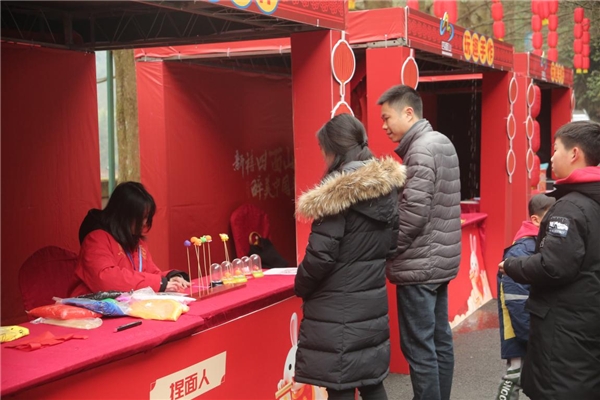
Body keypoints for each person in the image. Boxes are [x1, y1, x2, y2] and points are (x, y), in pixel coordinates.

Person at [293, 114, 406, 400]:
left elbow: (320, 257)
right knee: (371, 382)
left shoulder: (336, 195)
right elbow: (391, 246)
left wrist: (301, 285)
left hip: (336, 310)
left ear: (334, 150)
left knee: (340, 387)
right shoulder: (387, 190)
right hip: (371, 306)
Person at [499, 121, 600, 399]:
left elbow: (553, 266)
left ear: (575, 153)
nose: (551, 157)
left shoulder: (570, 207)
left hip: (564, 329)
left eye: (555, 149)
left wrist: (511, 266)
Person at [377, 85, 461, 400]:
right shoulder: (441, 142)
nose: (384, 126)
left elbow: (413, 214)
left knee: (419, 347)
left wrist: (389, 249)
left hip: (418, 265)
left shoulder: (421, 150)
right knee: (439, 341)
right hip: (439, 261)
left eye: (387, 118)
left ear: (408, 113)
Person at [70, 181, 190, 296]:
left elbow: (150, 274)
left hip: (125, 305)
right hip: (89, 308)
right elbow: (105, 279)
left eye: (147, 217)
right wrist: (160, 283)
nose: (144, 222)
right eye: (141, 217)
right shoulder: (96, 239)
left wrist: (170, 277)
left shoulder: (137, 242)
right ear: (124, 216)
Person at [495, 194, 555, 400]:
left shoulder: (536, 243)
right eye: (550, 217)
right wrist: (528, 333)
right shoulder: (522, 249)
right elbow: (515, 298)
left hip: (529, 325)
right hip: (519, 328)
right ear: (536, 220)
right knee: (514, 374)